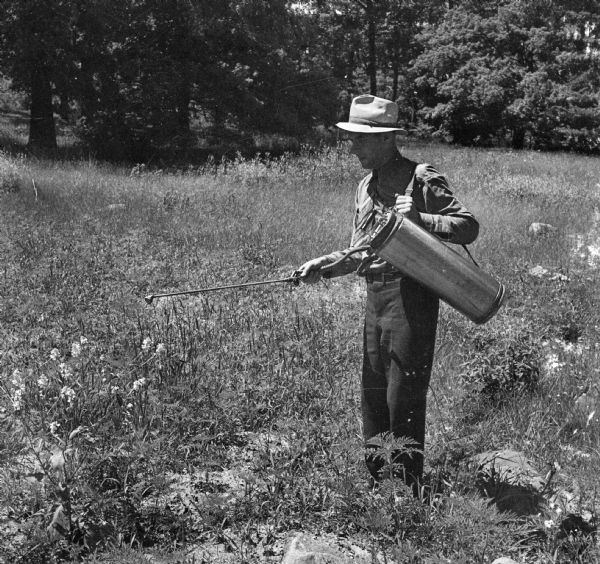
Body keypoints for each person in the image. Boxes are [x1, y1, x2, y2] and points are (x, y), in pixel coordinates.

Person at [297, 94, 479, 490]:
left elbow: (467, 226)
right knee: (374, 395)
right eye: (350, 137)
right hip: (375, 299)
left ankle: (409, 490)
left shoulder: (422, 177)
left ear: (385, 139)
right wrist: (322, 266)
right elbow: (358, 250)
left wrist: (420, 220)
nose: (352, 146)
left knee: (404, 397)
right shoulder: (364, 186)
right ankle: (379, 481)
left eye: (360, 138)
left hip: (412, 297)